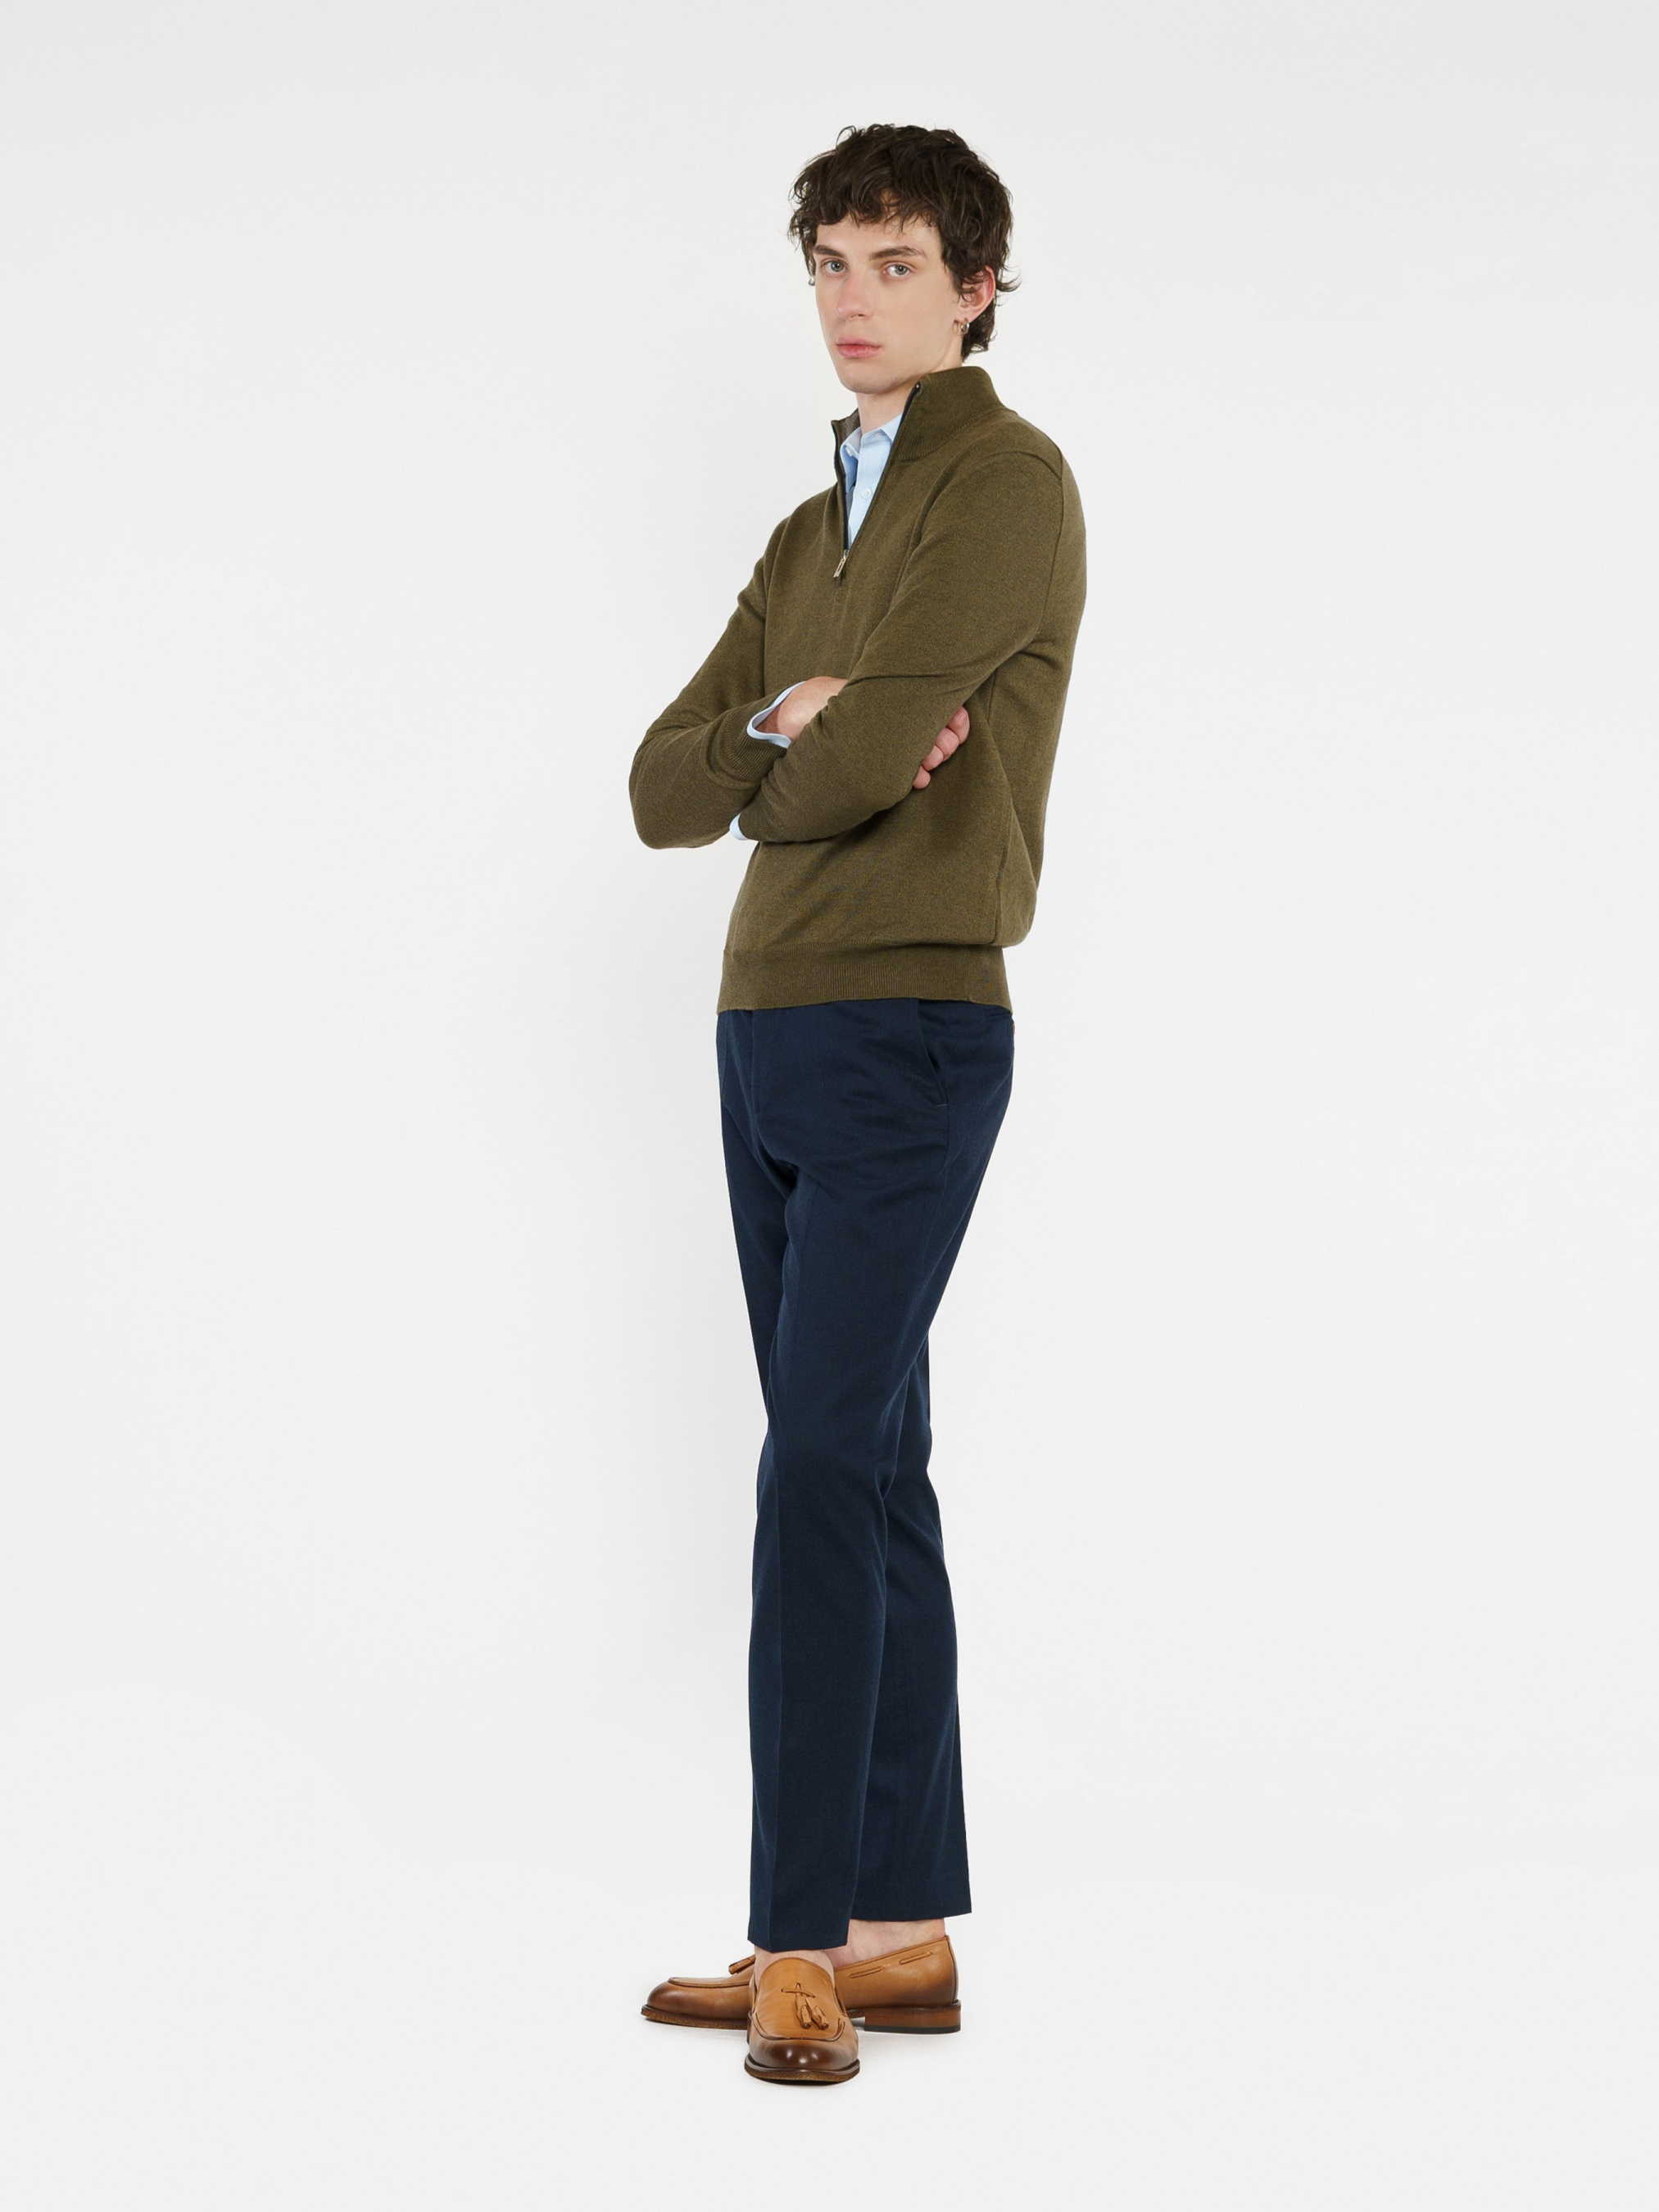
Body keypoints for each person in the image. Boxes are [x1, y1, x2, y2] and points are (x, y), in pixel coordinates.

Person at [628, 121, 1086, 2087]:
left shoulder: (1005, 482)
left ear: (973, 285)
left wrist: (837, 737)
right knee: (869, 1466)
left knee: (814, 1464)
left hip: (907, 1020)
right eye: (828, 261)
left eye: (893, 262)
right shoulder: (806, 527)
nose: (850, 298)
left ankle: (797, 1937)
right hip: (765, 1022)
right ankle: (900, 1934)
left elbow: (865, 755)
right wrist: (782, 720)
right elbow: (661, 786)